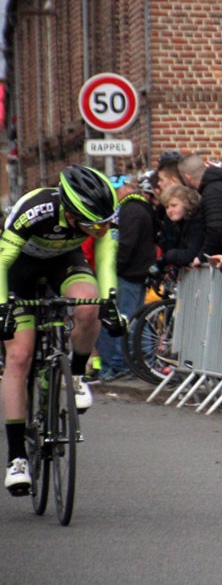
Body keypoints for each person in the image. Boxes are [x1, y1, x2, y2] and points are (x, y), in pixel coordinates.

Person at [0, 165, 124, 496]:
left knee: (88, 306)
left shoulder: (101, 223)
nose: (102, 228)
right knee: (19, 355)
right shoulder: (34, 209)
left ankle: (78, 374)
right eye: (93, 223)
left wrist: (110, 302)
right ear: (70, 213)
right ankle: (16, 458)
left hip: (62, 262)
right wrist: (3, 307)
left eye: (105, 221)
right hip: (17, 271)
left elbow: (106, 262)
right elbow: (2, 261)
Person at [96, 176, 157, 381]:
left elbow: (126, 244)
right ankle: (139, 362)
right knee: (134, 318)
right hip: (134, 272)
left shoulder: (131, 210)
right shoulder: (137, 208)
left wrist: (115, 268)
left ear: (125, 189)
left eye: (115, 189)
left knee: (123, 319)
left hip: (128, 274)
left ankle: (122, 364)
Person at [178, 154, 222, 260]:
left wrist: (203, 256)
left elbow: (216, 228)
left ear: (187, 177)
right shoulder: (221, 186)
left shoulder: (212, 192)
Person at [156, 184, 205, 269]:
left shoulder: (197, 223)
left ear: (186, 203)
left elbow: (191, 253)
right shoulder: (172, 224)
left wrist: (167, 257)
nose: (169, 211)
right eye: (167, 207)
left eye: (174, 205)